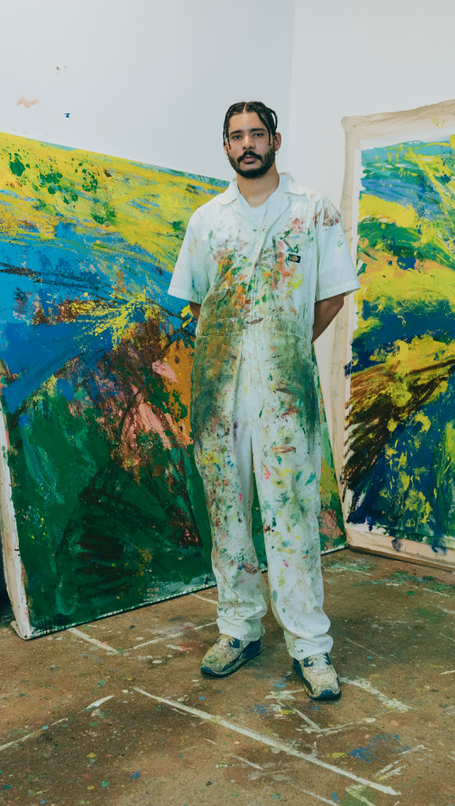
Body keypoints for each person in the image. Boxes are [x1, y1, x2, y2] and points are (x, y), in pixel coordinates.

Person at [168, 100, 359, 701]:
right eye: (235, 136)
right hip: (219, 393)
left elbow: (331, 295)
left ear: (276, 139)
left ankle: (309, 645)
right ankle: (238, 628)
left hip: (284, 392)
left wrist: (283, 342)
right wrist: (236, 345)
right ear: (225, 147)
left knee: (293, 515)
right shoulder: (208, 220)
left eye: (256, 134)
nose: (246, 144)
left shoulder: (313, 213)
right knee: (228, 514)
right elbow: (197, 300)